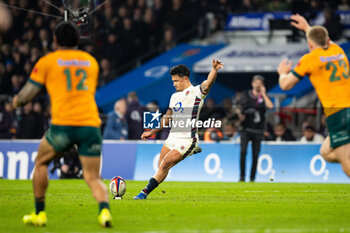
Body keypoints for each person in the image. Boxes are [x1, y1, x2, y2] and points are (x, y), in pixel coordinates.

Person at [13, 22, 112, 227]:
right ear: (77, 40)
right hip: (90, 125)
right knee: (93, 177)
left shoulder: (48, 61)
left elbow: (27, 94)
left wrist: (15, 102)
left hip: (63, 125)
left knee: (40, 163)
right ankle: (104, 212)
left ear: (55, 40)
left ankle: (39, 214)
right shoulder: (91, 62)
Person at [134, 60, 224, 199]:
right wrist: (152, 131)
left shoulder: (196, 92)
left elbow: (208, 83)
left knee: (165, 164)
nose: (174, 84)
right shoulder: (174, 97)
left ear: (185, 79)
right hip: (172, 137)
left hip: (187, 138)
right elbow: (167, 117)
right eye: (173, 81)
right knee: (161, 166)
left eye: (176, 81)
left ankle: (143, 193)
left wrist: (214, 70)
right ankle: (191, 151)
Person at [278, 14, 350, 177]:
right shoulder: (337, 50)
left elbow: (285, 85)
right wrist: (307, 28)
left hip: (337, 114)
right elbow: (321, 38)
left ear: (309, 44)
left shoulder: (310, 59)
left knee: (346, 164)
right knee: (325, 152)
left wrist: (283, 73)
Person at [236, 75, 274, 182]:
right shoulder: (246, 95)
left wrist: (264, 94)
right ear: (252, 84)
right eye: (256, 82)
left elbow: (271, 107)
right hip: (246, 129)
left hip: (258, 130)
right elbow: (239, 108)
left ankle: (252, 178)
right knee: (243, 152)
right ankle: (242, 176)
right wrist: (240, 114)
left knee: (255, 155)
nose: (258, 85)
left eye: (260, 83)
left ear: (262, 85)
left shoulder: (264, 97)